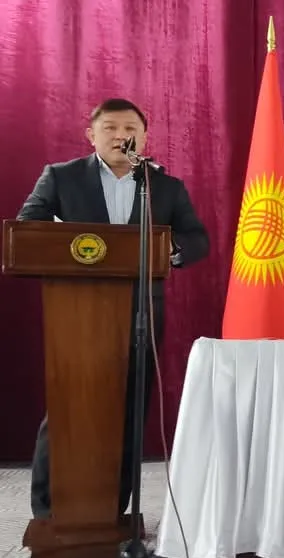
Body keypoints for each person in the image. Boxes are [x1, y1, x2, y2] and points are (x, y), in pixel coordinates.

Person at [16, 98, 209, 519]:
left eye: (130, 129)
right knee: (68, 405)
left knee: (130, 409)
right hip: (77, 312)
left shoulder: (164, 186)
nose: (121, 136)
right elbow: (28, 227)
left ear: (144, 137)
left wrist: (172, 249)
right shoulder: (61, 177)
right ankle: (48, 511)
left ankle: (114, 508)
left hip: (141, 312)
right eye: (110, 128)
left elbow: (197, 238)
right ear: (91, 135)